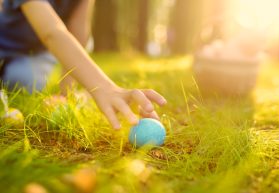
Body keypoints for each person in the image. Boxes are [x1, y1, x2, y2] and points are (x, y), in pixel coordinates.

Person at [0, 0, 167, 129]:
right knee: (19, 82)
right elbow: (51, 32)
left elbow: (78, 29)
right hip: (4, 45)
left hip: (36, 53)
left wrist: (67, 94)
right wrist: (104, 87)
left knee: (24, 80)